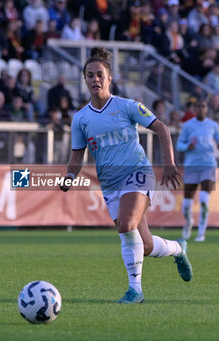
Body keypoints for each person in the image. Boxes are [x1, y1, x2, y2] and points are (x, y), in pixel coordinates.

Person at [60, 47, 193, 304]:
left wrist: (169, 163)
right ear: (85, 79)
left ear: (110, 78)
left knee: (126, 224)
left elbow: (163, 129)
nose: (95, 79)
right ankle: (178, 248)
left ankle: (135, 291)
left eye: (100, 74)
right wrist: (68, 178)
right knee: (145, 246)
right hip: (110, 185)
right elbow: (77, 158)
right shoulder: (81, 119)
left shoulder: (127, 106)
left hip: (137, 173)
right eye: (90, 75)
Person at [177, 99, 219, 242]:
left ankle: (201, 232)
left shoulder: (213, 126)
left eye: (203, 106)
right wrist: (187, 146)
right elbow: (179, 145)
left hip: (208, 165)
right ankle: (189, 222)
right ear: (195, 109)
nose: (201, 108)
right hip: (192, 166)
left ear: (207, 109)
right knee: (187, 204)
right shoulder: (188, 126)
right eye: (198, 106)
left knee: (203, 200)